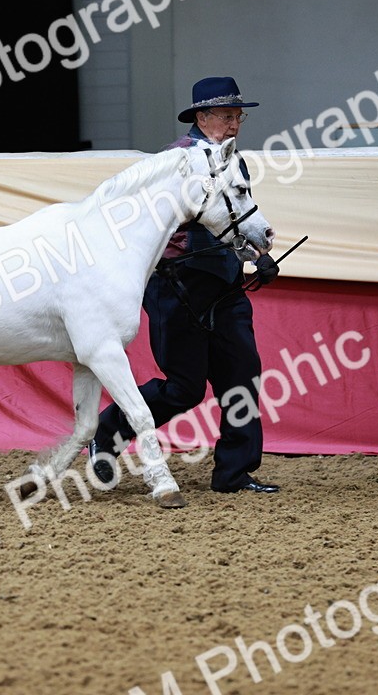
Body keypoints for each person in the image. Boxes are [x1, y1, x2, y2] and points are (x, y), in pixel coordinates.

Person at [87, 76, 280, 494]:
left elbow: (236, 222)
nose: (234, 124)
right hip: (178, 286)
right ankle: (108, 433)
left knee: (243, 376)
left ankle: (234, 473)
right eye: (227, 116)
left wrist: (258, 258)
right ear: (202, 116)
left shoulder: (233, 161)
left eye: (238, 116)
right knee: (183, 388)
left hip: (226, 284)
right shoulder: (171, 163)